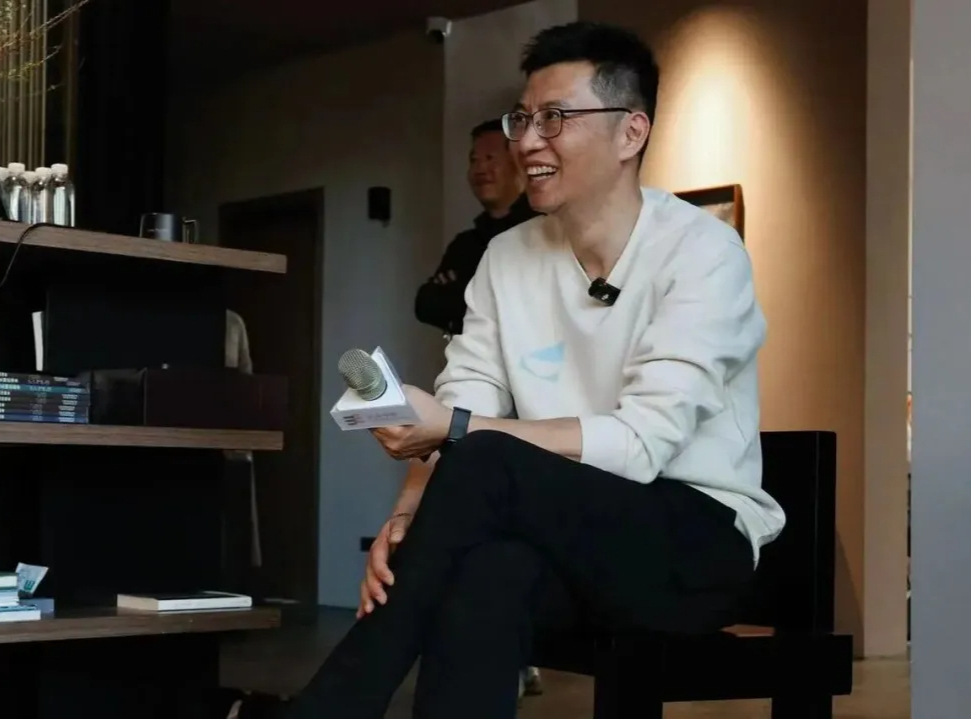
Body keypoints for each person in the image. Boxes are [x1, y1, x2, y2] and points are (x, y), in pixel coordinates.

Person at [232, 20, 786, 719]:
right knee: (487, 573)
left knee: (486, 454)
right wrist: (405, 516)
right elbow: (465, 396)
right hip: (565, 537)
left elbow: (641, 444)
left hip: (691, 545)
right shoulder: (506, 257)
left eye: (555, 118)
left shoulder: (703, 253)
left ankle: (329, 708)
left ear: (630, 132)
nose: (527, 141)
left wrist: (458, 428)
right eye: (521, 118)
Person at [414, 118, 538, 338]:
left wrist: (460, 292)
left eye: (490, 158)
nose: (480, 168)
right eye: (474, 160)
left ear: (518, 165)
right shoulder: (464, 245)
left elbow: (528, 309)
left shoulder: (544, 233)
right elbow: (426, 305)